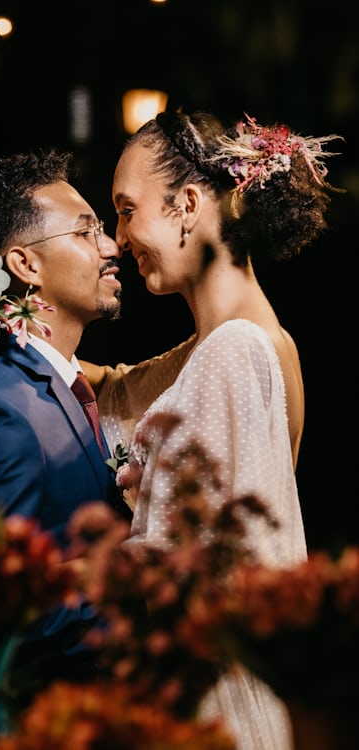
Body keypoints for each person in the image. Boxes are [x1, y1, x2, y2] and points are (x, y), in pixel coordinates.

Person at [82, 110, 342, 750]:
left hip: (210, 701)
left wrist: (30, 581)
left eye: (124, 209)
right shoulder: (255, 342)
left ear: (188, 204)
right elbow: (114, 389)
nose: (118, 238)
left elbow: (185, 567)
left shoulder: (232, 352)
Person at [0, 148, 135, 712]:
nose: (111, 247)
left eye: (103, 230)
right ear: (25, 265)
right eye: (87, 233)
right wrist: (141, 575)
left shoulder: (60, 386)